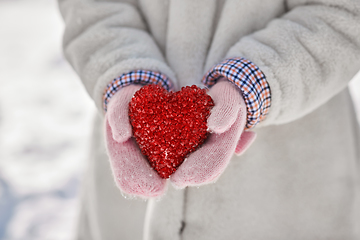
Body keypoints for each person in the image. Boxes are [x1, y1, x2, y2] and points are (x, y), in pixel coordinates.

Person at [58, 0, 360, 239]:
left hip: (288, 181)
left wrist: (255, 80)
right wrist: (124, 72)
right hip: (130, 185)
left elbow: (344, 11)